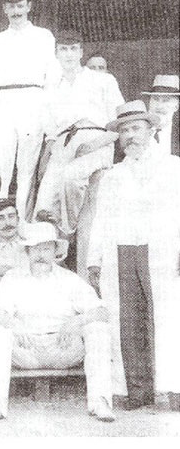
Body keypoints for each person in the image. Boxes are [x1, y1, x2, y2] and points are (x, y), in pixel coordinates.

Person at [87, 100, 180, 410]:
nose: (130, 136)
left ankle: (172, 388)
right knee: (127, 323)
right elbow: (101, 219)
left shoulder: (173, 168)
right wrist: (94, 259)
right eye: (124, 130)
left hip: (164, 252)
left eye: (136, 128)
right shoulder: (113, 175)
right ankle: (136, 391)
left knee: (167, 319)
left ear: (151, 129)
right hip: (122, 251)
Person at [0, 222, 116, 423]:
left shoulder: (69, 279)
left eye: (46, 248)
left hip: (63, 348)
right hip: (26, 350)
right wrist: (14, 324)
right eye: (35, 248)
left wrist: (77, 321)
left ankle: (100, 402)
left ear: (55, 251)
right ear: (27, 251)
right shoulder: (13, 277)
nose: (40, 254)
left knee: (98, 329)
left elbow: (102, 312)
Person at [34, 30, 123, 236]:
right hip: (63, 143)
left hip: (96, 141)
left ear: (81, 52)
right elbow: (51, 131)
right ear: (56, 53)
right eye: (63, 49)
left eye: (73, 49)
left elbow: (118, 125)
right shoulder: (52, 86)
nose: (68, 54)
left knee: (71, 177)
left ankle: (68, 231)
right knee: (43, 205)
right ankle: (52, 254)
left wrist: (94, 145)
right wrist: (48, 155)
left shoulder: (103, 80)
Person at [0, 0, 56, 218]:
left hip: (33, 99)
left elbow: (51, 75)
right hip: (5, 100)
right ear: (4, 9)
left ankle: (22, 220)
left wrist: (47, 112)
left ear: (29, 6)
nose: (16, 11)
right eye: (11, 6)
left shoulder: (44, 36)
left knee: (26, 167)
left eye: (20, 6)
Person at [142, 74, 179, 156]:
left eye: (165, 100)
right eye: (155, 99)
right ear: (149, 102)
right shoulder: (138, 130)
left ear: (176, 106)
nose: (159, 106)